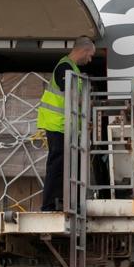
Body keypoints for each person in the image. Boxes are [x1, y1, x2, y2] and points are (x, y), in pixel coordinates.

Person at [37, 36, 97, 211]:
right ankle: (49, 205)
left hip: (66, 127)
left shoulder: (72, 69)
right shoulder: (65, 67)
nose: (90, 59)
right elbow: (72, 97)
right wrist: (89, 104)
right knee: (57, 165)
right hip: (57, 125)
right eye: (90, 55)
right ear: (84, 50)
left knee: (68, 165)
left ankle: (64, 202)